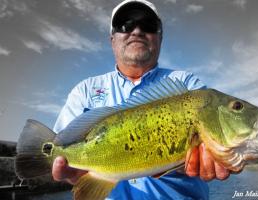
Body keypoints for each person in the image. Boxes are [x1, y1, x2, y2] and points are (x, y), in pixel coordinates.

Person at [52, 0, 232, 199]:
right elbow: (60, 149)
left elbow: (211, 145)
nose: (137, 31)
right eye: (125, 24)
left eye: (148, 25)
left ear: (160, 38)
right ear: (112, 39)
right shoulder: (84, 91)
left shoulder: (186, 84)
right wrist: (71, 171)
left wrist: (207, 159)